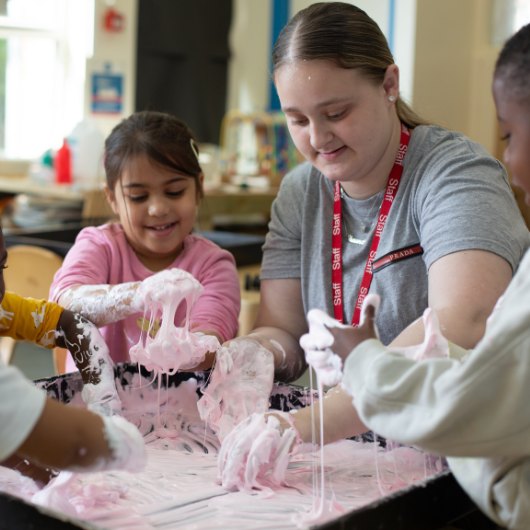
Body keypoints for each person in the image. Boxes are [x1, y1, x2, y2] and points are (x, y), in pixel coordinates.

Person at [221, 20, 530, 530]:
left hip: (453, 458)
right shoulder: (301, 194)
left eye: (336, 113)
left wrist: (305, 424)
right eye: (297, 120)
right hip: (355, 451)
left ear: (389, 85)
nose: (318, 139)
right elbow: (283, 331)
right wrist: (255, 354)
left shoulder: (455, 173)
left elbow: (459, 326)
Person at [50, 111, 240, 371]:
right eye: (138, 196)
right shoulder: (99, 246)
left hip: (184, 408)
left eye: (174, 192)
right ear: (113, 198)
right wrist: (138, 296)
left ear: (199, 188)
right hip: (95, 407)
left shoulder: (213, 266)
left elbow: (208, 346)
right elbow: (65, 305)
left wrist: (187, 350)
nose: (158, 209)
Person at [0, 228, 145, 476]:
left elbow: (71, 326)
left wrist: (104, 402)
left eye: (2, 267)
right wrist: (122, 438)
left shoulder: (4, 310)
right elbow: (73, 442)